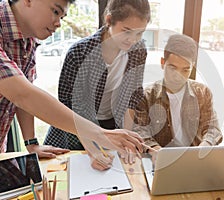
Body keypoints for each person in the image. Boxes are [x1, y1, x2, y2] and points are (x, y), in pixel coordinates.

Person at [0, 0, 145, 171]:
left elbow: (22, 96)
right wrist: (100, 136)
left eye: (62, 16)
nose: (58, 23)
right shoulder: (81, 51)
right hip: (78, 133)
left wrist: (31, 143)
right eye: (55, 11)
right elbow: (23, 94)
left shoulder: (28, 40)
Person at [44, 0, 151, 165]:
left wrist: (126, 138)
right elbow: (70, 106)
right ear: (109, 21)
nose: (132, 40)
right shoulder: (79, 53)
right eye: (126, 31)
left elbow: (132, 97)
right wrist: (92, 150)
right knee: (75, 172)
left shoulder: (139, 50)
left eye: (139, 33)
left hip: (111, 125)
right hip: (76, 128)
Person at [133, 34, 223, 154]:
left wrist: (205, 146)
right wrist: (155, 151)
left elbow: (212, 128)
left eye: (186, 70)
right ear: (162, 62)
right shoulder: (147, 96)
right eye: (173, 68)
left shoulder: (203, 93)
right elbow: (140, 131)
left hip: (195, 157)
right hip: (161, 158)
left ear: (192, 66)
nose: (178, 76)